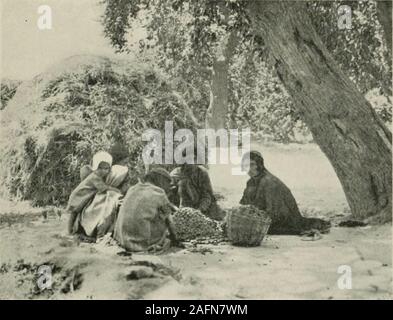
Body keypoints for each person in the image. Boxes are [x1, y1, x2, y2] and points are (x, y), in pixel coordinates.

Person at [240, 151, 331, 235]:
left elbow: (274, 213)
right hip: (269, 216)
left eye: (251, 165)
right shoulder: (251, 182)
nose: (248, 169)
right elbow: (245, 205)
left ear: (259, 165)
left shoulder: (269, 182)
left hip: (284, 219)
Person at [113, 168, 179, 252]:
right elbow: (169, 221)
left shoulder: (132, 188)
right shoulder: (160, 192)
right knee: (163, 220)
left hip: (122, 241)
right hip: (140, 244)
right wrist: (176, 239)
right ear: (162, 181)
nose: (168, 186)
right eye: (168, 183)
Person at [66, 151, 121, 236]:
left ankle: (72, 230)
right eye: (103, 168)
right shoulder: (94, 177)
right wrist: (115, 190)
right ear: (97, 168)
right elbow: (103, 188)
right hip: (79, 196)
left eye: (107, 169)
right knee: (73, 213)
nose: (105, 171)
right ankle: (69, 231)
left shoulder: (97, 176)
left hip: (83, 196)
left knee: (75, 213)